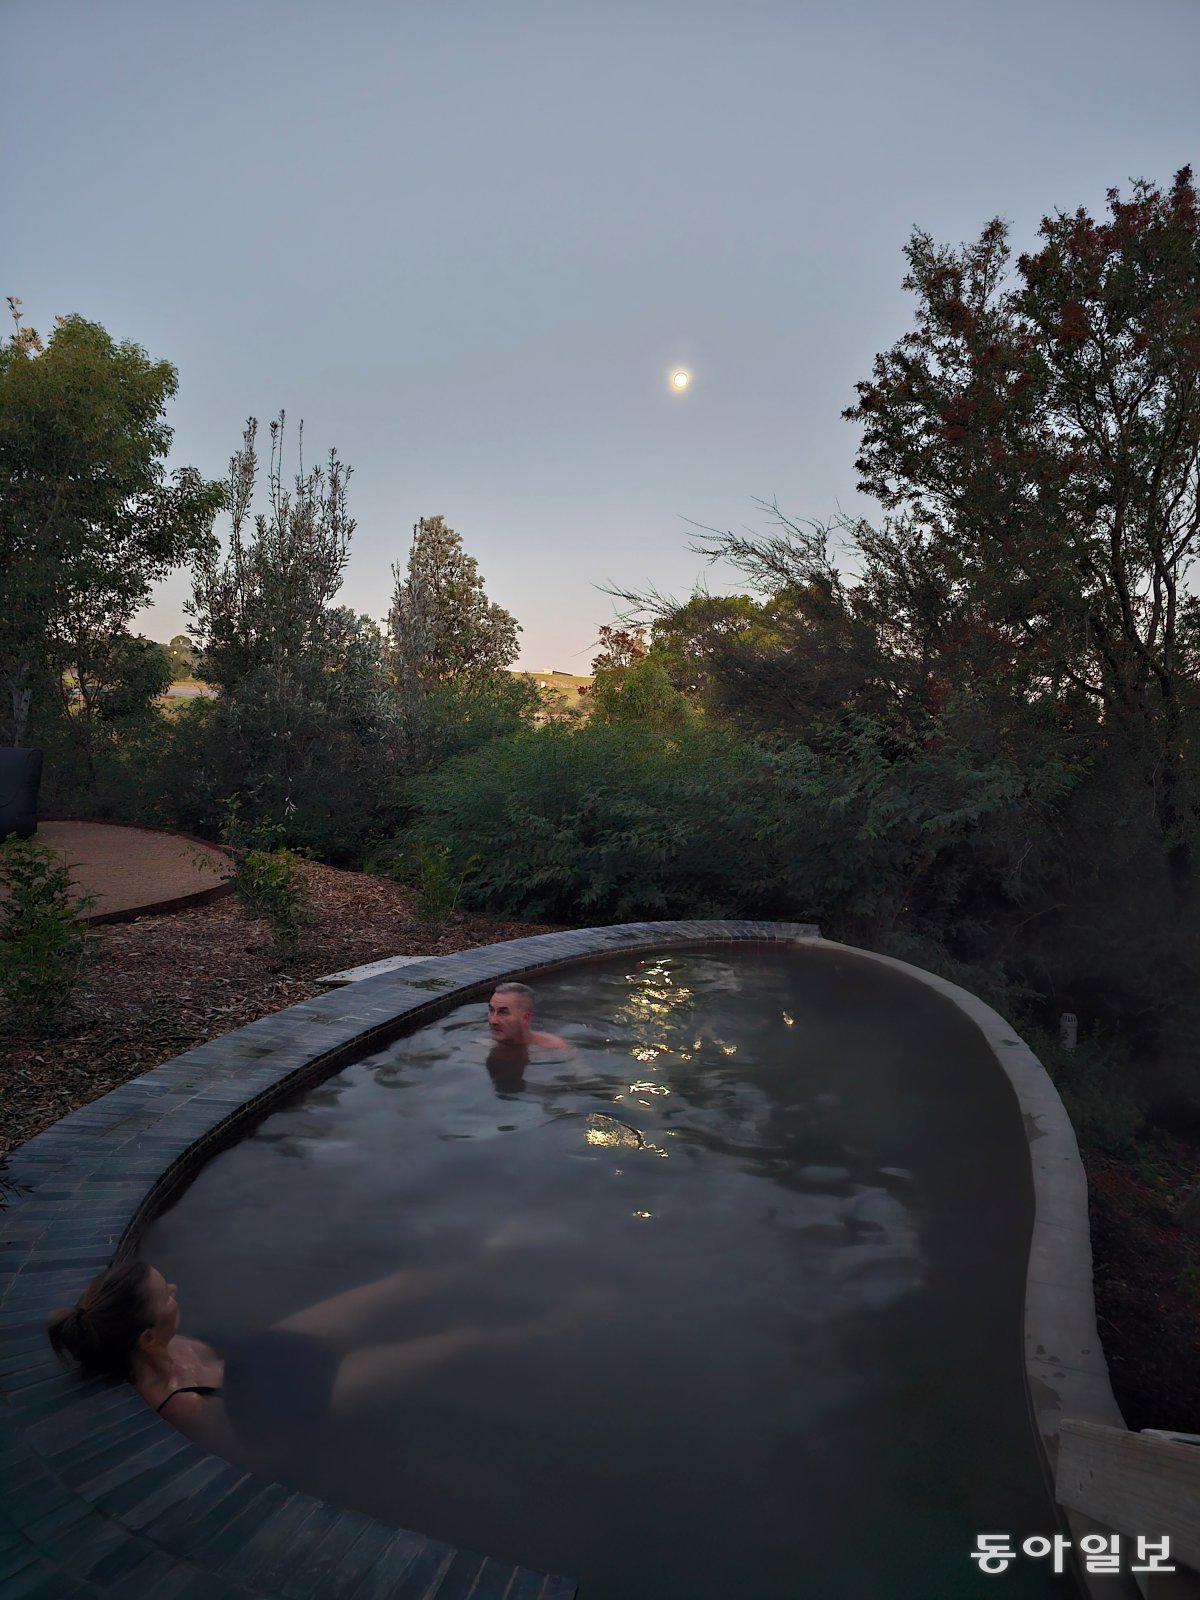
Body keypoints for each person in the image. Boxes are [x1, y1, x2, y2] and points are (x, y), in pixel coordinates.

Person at [47, 1257, 604, 1472]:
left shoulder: (160, 1338)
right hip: (303, 1397)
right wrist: (323, 1432)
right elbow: (258, 1451)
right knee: (460, 1343)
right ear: (147, 1337)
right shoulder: (182, 1406)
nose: (174, 1287)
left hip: (268, 1353)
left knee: (399, 1283)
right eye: (164, 1295)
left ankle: (506, 1250)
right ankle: (558, 1326)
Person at [487, 982, 566, 1050]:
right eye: (491, 1010)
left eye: (503, 1012)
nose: (493, 1021)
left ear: (525, 1018)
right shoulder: (484, 1046)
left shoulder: (554, 1047)